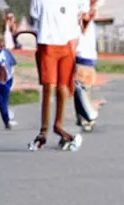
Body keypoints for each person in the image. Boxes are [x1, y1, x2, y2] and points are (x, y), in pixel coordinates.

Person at [28, 0, 89, 151]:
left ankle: (58, 125)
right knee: (49, 86)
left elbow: (84, 16)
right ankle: (43, 131)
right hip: (47, 42)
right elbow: (34, 15)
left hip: (68, 44)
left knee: (63, 87)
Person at [74, 0, 99, 132]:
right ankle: (85, 118)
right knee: (82, 90)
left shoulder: (83, 22)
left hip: (85, 59)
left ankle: (85, 117)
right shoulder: (85, 21)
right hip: (85, 60)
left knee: (81, 90)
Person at [0, 31, 17, 129]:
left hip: (6, 80)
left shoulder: (6, 52)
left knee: (3, 101)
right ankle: (7, 118)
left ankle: (7, 119)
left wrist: (11, 77)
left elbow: (12, 65)